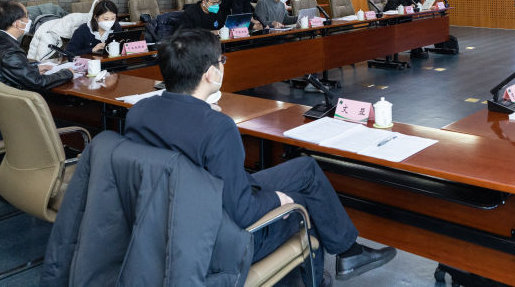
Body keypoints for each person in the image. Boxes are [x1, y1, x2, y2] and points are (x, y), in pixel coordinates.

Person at [123, 29, 396, 285]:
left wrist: (202, 110)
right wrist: (277, 199)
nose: (223, 66)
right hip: (216, 242)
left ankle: (349, 253)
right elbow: (242, 213)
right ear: (209, 74)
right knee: (304, 203)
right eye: (221, 61)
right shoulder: (217, 128)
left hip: (164, 223)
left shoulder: (139, 112)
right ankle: (320, 277)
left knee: (306, 168)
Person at [0, 0, 79, 144]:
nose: (29, 20)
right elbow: (37, 82)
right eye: (27, 16)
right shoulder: (9, 50)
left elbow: (0, 68)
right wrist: (67, 73)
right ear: (17, 23)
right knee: (62, 125)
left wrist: (33, 68)